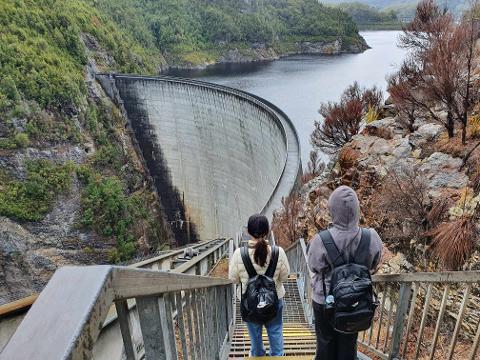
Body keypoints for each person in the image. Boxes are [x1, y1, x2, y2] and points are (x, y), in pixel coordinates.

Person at [307, 186, 383, 360]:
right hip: (356, 299)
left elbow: (314, 267)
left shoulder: (321, 239)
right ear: (357, 209)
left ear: (332, 210)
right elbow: (375, 263)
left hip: (325, 300)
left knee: (325, 342)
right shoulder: (370, 237)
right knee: (348, 343)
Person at [229, 214, 290, 357]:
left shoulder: (239, 254)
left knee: (255, 336)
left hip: (250, 303)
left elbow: (233, 279)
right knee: (275, 331)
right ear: (268, 231)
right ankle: (277, 355)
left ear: (248, 232)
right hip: (275, 300)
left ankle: (257, 355)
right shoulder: (278, 252)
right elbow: (285, 277)